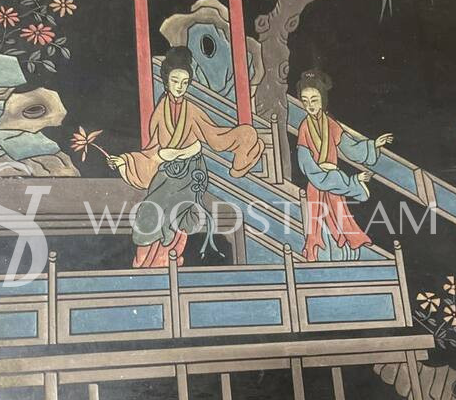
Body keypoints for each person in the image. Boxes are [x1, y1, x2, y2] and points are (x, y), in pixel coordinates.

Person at [107, 46, 263, 268]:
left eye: (184, 82)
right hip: (167, 171)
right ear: (166, 81)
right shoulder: (160, 110)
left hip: (191, 172)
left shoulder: (192, 110)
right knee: (150, 207)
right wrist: (125, 160)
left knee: (174, 209)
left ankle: (166, 260)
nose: (179, 87)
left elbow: (215, 136)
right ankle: (145, 262)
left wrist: (243, 138)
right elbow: (153, 149)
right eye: (175, 81)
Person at [296, 68, 393, 262]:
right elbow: (305, 162)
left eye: (314, 100)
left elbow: (349, 147)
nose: (310, 105)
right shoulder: (304, 127)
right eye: (305, 101)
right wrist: (327, 175)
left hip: (333, 183)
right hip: (318, 182)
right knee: (317, 227)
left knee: (342, 221)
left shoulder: (331, 124)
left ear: (322, 99)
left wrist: (373, 145)